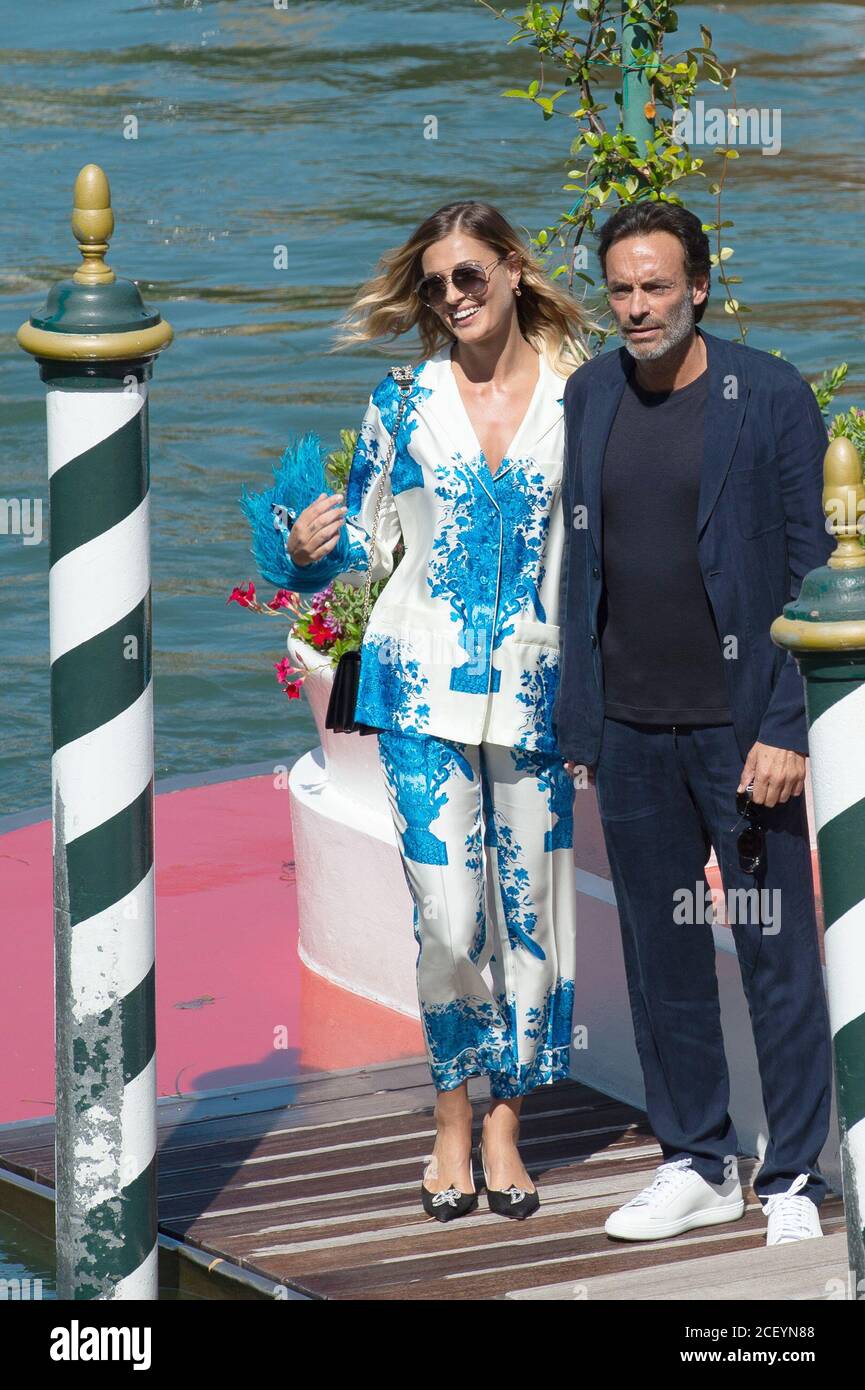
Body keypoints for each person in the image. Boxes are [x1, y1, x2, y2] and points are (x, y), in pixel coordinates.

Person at [267, 200, 595, 1221]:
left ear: (509, 270)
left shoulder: (583, 399)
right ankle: (449, 1113)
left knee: (534, 921)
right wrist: (307, 545)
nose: (451, 297)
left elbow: (611, 544)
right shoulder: (401, 402)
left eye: (468, 276)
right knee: (449, 917)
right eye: (434, 285)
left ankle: (504, 1122)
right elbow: (362, 549)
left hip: (537, 693)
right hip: (415, 685)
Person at [554, 200, 834, 1247]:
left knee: (772, 953)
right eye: (620, 289)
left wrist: (786, 723)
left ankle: (797, 1173)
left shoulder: (763, 396)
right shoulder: (590, 394)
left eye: (656, 286)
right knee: (661, 950)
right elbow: (581, 566)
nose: (636, 307)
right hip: (629, 730)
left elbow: (811, 570)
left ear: (699, 286)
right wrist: (580, 718)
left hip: (741, 729)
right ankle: (697, 1158)